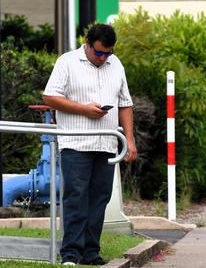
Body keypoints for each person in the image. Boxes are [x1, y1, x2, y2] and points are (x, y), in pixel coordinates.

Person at [43, 23, 137, 266]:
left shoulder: (115, 64)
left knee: (100, 198)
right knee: (76, 197)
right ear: (87, 43)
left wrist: (130, 139)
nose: (103, 57)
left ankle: (91, 252)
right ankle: (71, 253)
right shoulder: (67, 62)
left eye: (108, 53)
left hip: (106, 142)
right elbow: (50, 96)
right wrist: (84, 109)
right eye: (99, 52)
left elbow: (125, 103)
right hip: (76, 141)